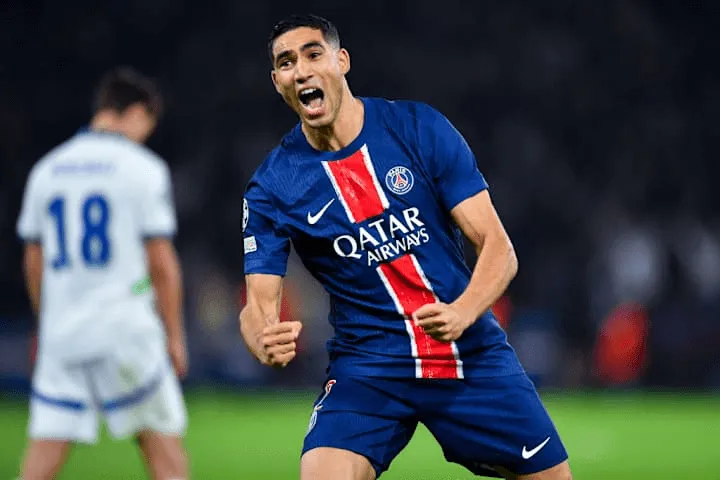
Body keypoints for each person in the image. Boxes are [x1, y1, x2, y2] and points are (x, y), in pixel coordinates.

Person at [240, 14, 572, 480]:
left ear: (341, 60)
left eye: (313, 54)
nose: (302, 70)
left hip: (466, 353)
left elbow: (498, 247)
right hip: (368, 366)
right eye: (287, 63)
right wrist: (260, 337)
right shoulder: (274, 185)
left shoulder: (417, 127)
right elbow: (258, 305)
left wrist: (462, 312)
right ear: (277, 82)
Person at [16, 67, 189, 480]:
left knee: (43, 457)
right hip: (125, 329)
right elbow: (161, 264)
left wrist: (45, 320)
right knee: (164, 454)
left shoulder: (47, 170)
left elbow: (34, 260)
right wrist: (174, 335)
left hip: (64, 334)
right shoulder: (142, 168)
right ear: (137, 113)